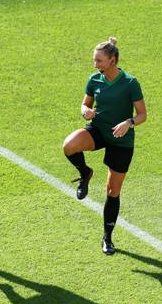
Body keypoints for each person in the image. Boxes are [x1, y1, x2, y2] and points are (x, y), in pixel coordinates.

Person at [62, 37, 147, 255]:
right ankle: (85, 172)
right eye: (94, 60)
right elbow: (85, 103)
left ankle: (107, 238)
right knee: (69, 146)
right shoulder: (94, 80)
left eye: (99, 61)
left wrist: (128, 123)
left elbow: (142, 115)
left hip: (121, 139)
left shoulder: (130, 83)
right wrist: (84, 111)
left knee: (112, 191)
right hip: (98, 130)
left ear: (112, 60)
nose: (95, 65)